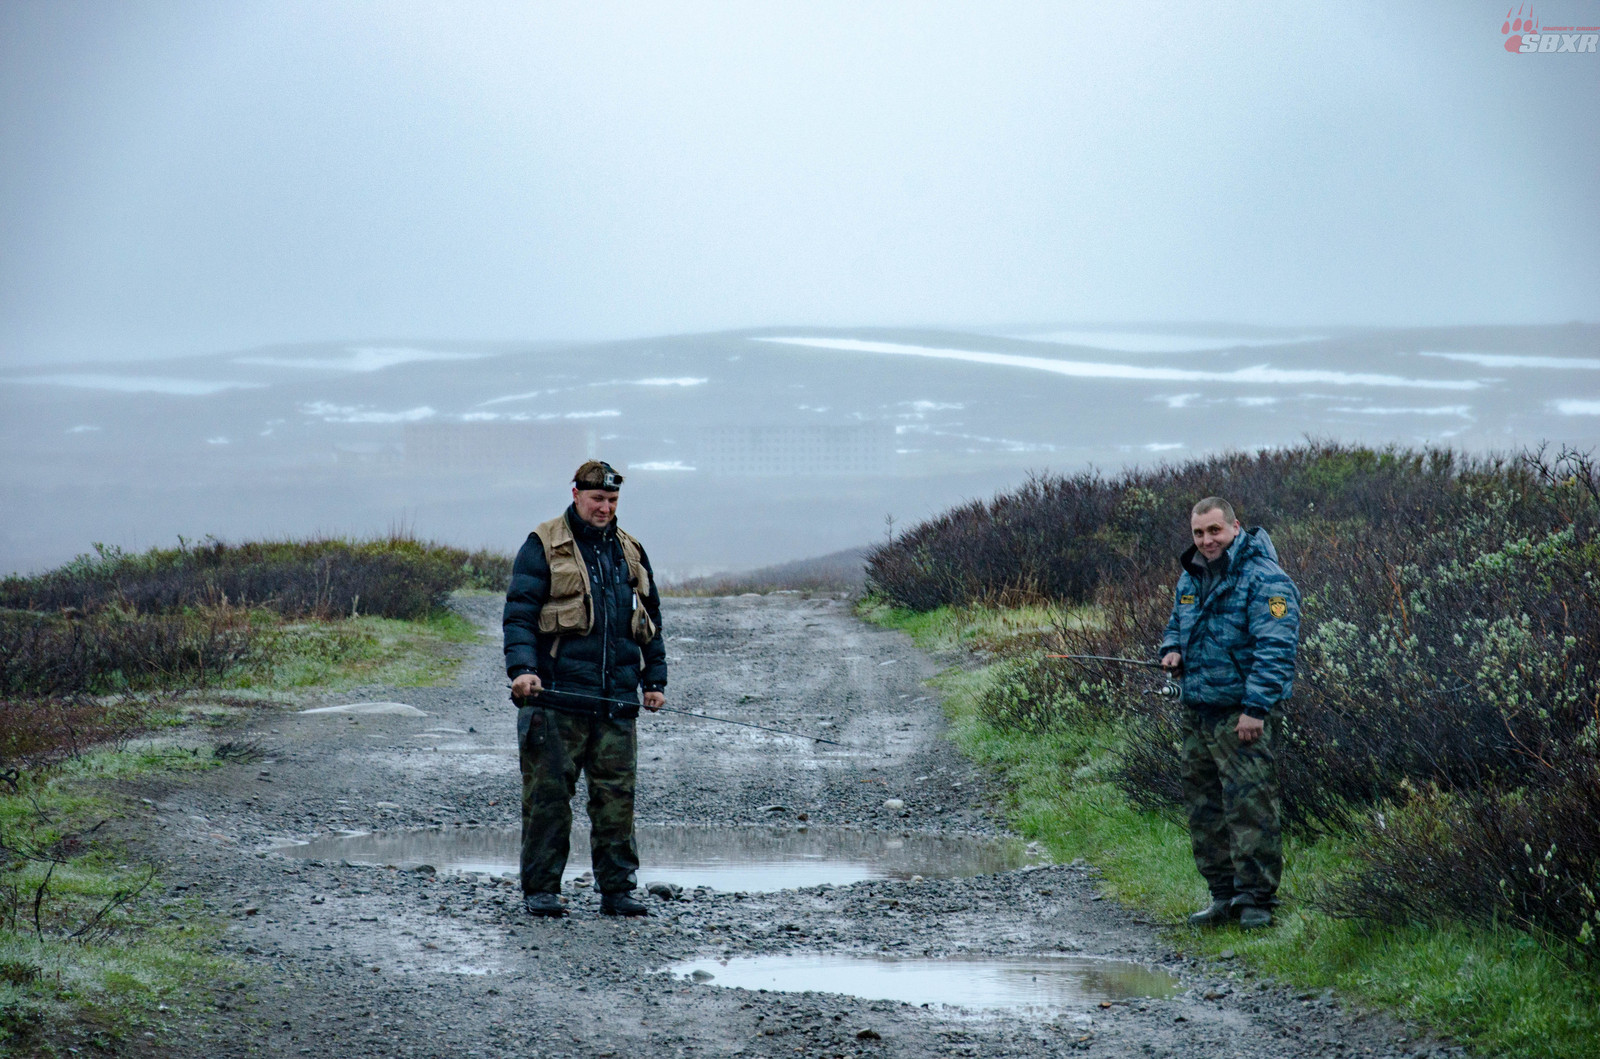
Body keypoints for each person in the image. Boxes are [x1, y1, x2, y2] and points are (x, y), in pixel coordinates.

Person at [504, 460, 667, 917]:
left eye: (612, 501)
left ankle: (617, 891)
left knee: (617, 799)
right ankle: (542, 890)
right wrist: (522, 669)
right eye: (597, 499)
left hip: (616, 701)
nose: (605, 508)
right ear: (576, 494)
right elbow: (518, 615)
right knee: (548, 799)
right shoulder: (543, 545)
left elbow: (650, 619)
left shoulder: (629, 550)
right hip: (554, 700)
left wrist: (653, 680)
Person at [1158, 497, 1300, 930]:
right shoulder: (1190, 577)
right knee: (1205, 810)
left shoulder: (1266, 580)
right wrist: (1171, 650)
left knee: (1250, 807)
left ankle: (1255, 901)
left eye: (1214, 531)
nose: (1207, 541)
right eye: (1199, 534)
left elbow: (1276, 649)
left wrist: (1256, 709)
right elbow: (1174, 624)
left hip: (1242, 716)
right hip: (1197, 712)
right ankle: (1222, 897)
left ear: (1235, 526)